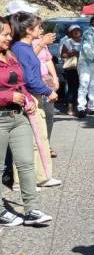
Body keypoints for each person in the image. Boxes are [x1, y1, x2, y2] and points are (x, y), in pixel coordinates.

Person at [0, 16, 52, 226]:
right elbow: (8, 92)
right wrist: (7, 97)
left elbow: (20, 83)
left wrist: (27, 99)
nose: (8, 37)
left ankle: (31, 210)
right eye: (4, 34)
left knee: (26, 164)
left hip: (19, 117)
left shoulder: (10, 55)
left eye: (8, 33)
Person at [9, 12, 61, 188]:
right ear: (29, 30)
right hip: (30, 98)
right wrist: (47, 91)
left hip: (34, 96)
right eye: (39, 27)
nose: (42, 30)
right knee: (32, 141)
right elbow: (28, 78)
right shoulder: (20, 49)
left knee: (39, 138)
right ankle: (24, 182)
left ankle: (41, 177)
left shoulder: (25, 47)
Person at [60, 25, 82, 116]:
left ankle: (79, 107)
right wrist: (70, 53)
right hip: (72, 68)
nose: (76, 32)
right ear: (70, 33)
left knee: (82, 88)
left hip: (83, 67)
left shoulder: (84, 41)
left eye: (78, 30)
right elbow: (63, 55)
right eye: (74, 31)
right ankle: (70, 108)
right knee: (72, 88)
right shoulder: (67, 42)